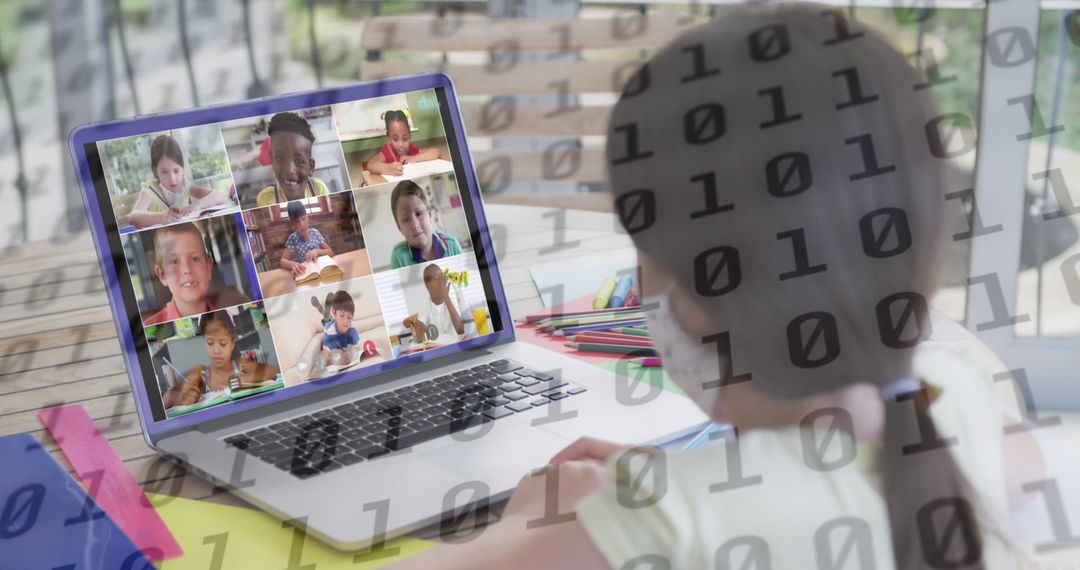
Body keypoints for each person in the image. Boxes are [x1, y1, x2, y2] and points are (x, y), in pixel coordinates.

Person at [389, 5, 1017, 569]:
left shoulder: (664, 527)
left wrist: (530, 520)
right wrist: (693, 480)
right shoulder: (954, 395)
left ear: (693, 299)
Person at [162, 310, 279, 409]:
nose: (217, 350)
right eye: (210, 343)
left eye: (223, 343)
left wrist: (242, 380)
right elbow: (166, 399)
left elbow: (272, 371)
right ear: (204, 343)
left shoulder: (239, 364)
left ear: (232, 344)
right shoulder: (201, 373)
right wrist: (180, 397)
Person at [144, 222, 248, 325]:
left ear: (208, 266)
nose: (187, 269)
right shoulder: (150, 327)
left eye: (195, 258)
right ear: (162, 275)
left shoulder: (235, 310)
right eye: (175, 261)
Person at [128, 134, 224, 229]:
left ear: (182, 169)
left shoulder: (185, 185)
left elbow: (219, 195)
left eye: (176, 171)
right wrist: (162, 217)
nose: (172, 179)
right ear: (155, 171)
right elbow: (133, 218)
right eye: (164, 172)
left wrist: (199, 205)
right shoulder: (150, 189)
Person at [255, 112, 330, 207]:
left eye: (299, 161)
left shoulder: (318, 189)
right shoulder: (265, 199)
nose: (289, 170)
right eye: (280, 158)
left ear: (310, 167)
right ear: (272, 161)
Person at [388, 180, 462, 268]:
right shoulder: (399, 257)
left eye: (418, 214)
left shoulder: (452, 245)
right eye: (406, 219)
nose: (415, 225)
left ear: (430, 215)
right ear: (400, 228)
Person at [366, 109, 444, 177]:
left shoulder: (411, 149)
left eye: (405, 138)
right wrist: (388, 168)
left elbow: (436, 152)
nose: (401, 144)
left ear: (409, 135)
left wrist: (415, 158)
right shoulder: (388, 151)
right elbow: (370, 165)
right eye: (395, 139)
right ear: (388, 137)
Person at [402, 263, 465, 342]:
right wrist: (419, 329)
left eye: (442, 276)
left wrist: (446, 297)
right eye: (437, 278)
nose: (442, 281)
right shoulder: (424, 304)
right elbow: (420, 330)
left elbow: (460, 331)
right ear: (428, 285)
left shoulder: (451, 299)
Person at [280, 201, 334, 278]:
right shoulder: (293, 239)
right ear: (292, 224)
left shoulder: (315, 232)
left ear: (308, 218)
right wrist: (293, 264)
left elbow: (331, 252)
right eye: (297, 221)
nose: (302, 224)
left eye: (303, 219)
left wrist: (317, 251)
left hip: (324, 270)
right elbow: (282, 261)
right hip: (308, 273)